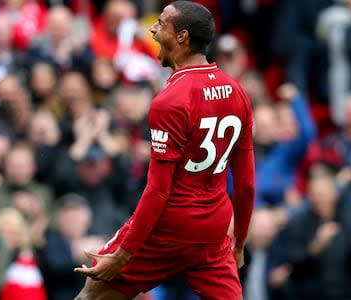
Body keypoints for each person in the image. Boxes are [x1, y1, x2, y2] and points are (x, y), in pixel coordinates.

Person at [74, 1, 255, 299]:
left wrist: (123, 254)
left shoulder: (170, 100)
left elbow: (158, 191)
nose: (153, 30)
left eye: (161, 24)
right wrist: (239, 243)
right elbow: (246, 183)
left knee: (91, 295)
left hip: (168, 231)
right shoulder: (237, 91)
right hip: (213, 233)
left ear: (181, 37)